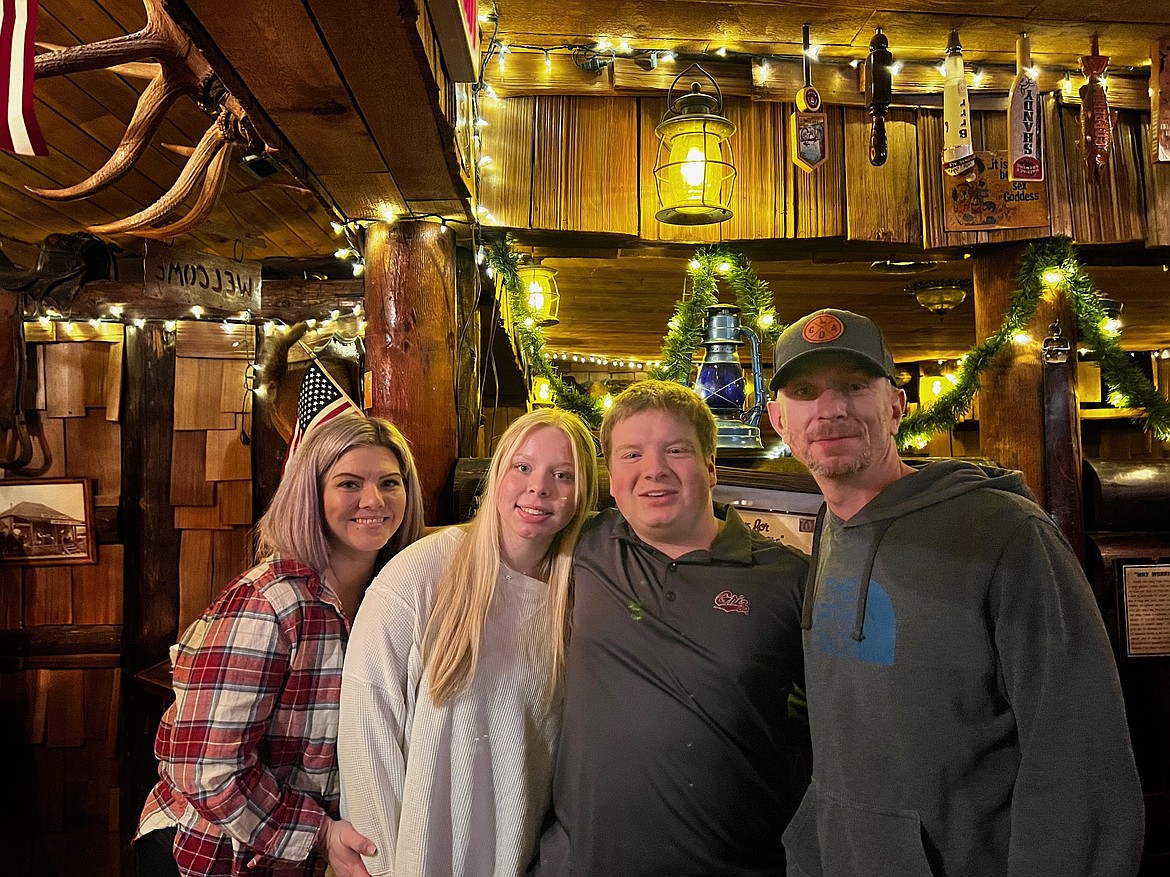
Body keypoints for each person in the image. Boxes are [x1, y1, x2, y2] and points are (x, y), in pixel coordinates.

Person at [765, 308, 1145, 876]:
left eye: (853, 386)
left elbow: (1080, 755)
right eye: (804, 391)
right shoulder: (829, 528)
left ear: (896, 406)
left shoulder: (1007, 533)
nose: (830, 408)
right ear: (778, 418)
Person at [535, 380, 809, 877]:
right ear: (611, 479)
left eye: (676, 450)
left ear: (710, 467)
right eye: (631, 454)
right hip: (581, 865)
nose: (653, 470)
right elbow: (484, 544)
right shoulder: (581, 546)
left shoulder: (788, 577)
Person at [135, 412, 426, 877]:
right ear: (311, 495)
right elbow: (208, 772)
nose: (374, 500)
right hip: (210, 855)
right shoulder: (270, 603)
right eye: (349, 484)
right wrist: (321, 833)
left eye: (390, 483)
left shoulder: (394, 598)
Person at [338, 408, 598, 877]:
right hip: (413, 859)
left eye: (563, 475)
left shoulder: (578, 600)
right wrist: (382, 867)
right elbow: (368, 732)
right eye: (523, 467)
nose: (539, 487)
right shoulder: (420, 573)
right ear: (497, 474)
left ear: (582, 496)